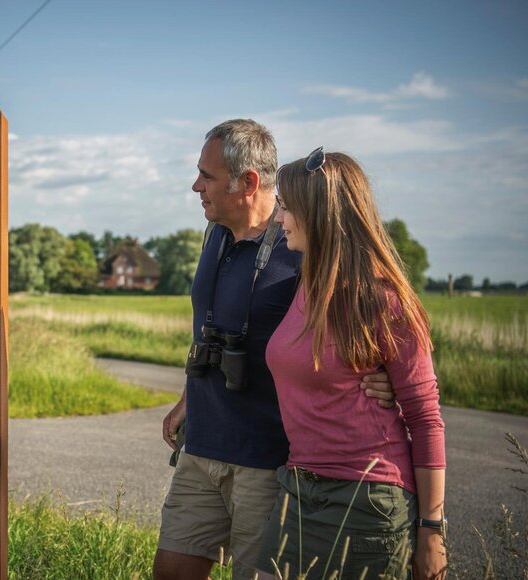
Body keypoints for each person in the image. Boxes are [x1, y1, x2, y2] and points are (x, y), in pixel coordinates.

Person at [153, 120, 396, 580]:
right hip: (201, 444)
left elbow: (377, 319)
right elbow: (209, 329)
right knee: (170, 570)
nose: (195, 186)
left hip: (267, 459)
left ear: (247, 183)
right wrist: (188, 397)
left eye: (206, 176)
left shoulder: (302, 244)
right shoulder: (214, 234)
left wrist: (387, 378)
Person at [254, 148, 446, 579]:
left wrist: (432, 531)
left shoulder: (385, 301)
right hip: (297, 488)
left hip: (367, 500)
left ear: (320, 214)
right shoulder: (307, 283)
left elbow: (425, 418)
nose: (279, 218)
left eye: (286, 207)